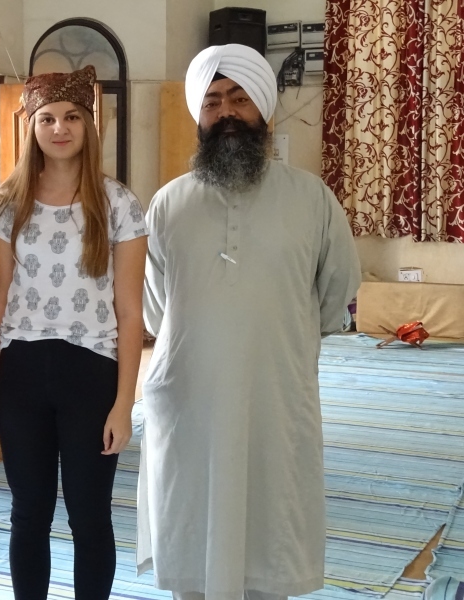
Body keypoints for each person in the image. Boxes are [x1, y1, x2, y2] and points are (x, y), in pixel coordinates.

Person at [138, 44, 361, 600]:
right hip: (188, 398)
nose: (227, 113)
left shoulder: (312, 199)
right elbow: (154, 309)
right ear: (199, 115)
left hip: (275, 396)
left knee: (270, 536)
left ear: (264, 108)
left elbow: (337, 293)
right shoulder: (168, 205)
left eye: (239, 99)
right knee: (191, 538)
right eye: (212, 102)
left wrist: (281, 331)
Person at [0, 65, 148, 600]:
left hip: (91, 373)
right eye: (48, 118)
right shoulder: (7, 204)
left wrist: (123, 404)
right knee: (28, 512)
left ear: (89, 125)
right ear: (31, 127)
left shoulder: (118, 203)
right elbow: (0, 301)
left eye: (73, 117)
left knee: (89, 514)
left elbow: (130, 312)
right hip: (22, 373)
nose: (60, 128)